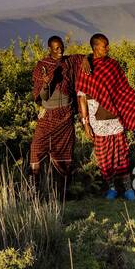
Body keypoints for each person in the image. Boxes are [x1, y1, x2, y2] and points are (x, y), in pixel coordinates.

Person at [75, 33, 135, 200]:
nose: (107, 48)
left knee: (122, 155)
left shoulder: (113, 65)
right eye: (104, 45)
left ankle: (129, 190)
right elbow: (81, 97)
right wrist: (85, 124)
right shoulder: (86, 68)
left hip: (115, 118)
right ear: (95, 47)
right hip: (97, 121)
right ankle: (112, 189)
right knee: (104, 158)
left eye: (107, 45)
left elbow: (125, 91)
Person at [29, 36, 83, 199]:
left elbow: (84, 58)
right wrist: (47, 83)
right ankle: (33, 191)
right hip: (48, 115)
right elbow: (42, 97)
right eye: (56, 48)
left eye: (61, 47)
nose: (60, 50)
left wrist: (86, 60)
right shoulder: (42, 66)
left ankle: (62, 193)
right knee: (36, 149)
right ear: (49, 49)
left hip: (65, 114)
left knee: (65, 154)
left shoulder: (69, 62)